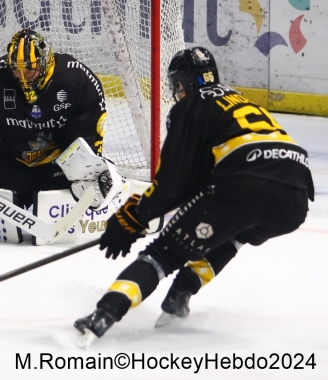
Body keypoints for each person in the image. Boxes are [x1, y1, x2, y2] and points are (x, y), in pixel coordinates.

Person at [74, 46, 313, 346]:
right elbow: (200, 183)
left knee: (162, 254)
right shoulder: (236, 99)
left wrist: (134, 217)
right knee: (233, 232)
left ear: (180, 84)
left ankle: (102, 316)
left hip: (246, 185)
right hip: (296, 198)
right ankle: (180, 294)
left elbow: (174, 182)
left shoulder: (190, 106)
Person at [0, 28, 108, 210]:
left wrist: (88, 172)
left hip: (60, 165)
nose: (22, 78)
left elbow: (86, 137)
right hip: (10, 162)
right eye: (16, 71)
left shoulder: (78, 80)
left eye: (29, 71)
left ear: (44, 63)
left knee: (70, 209)